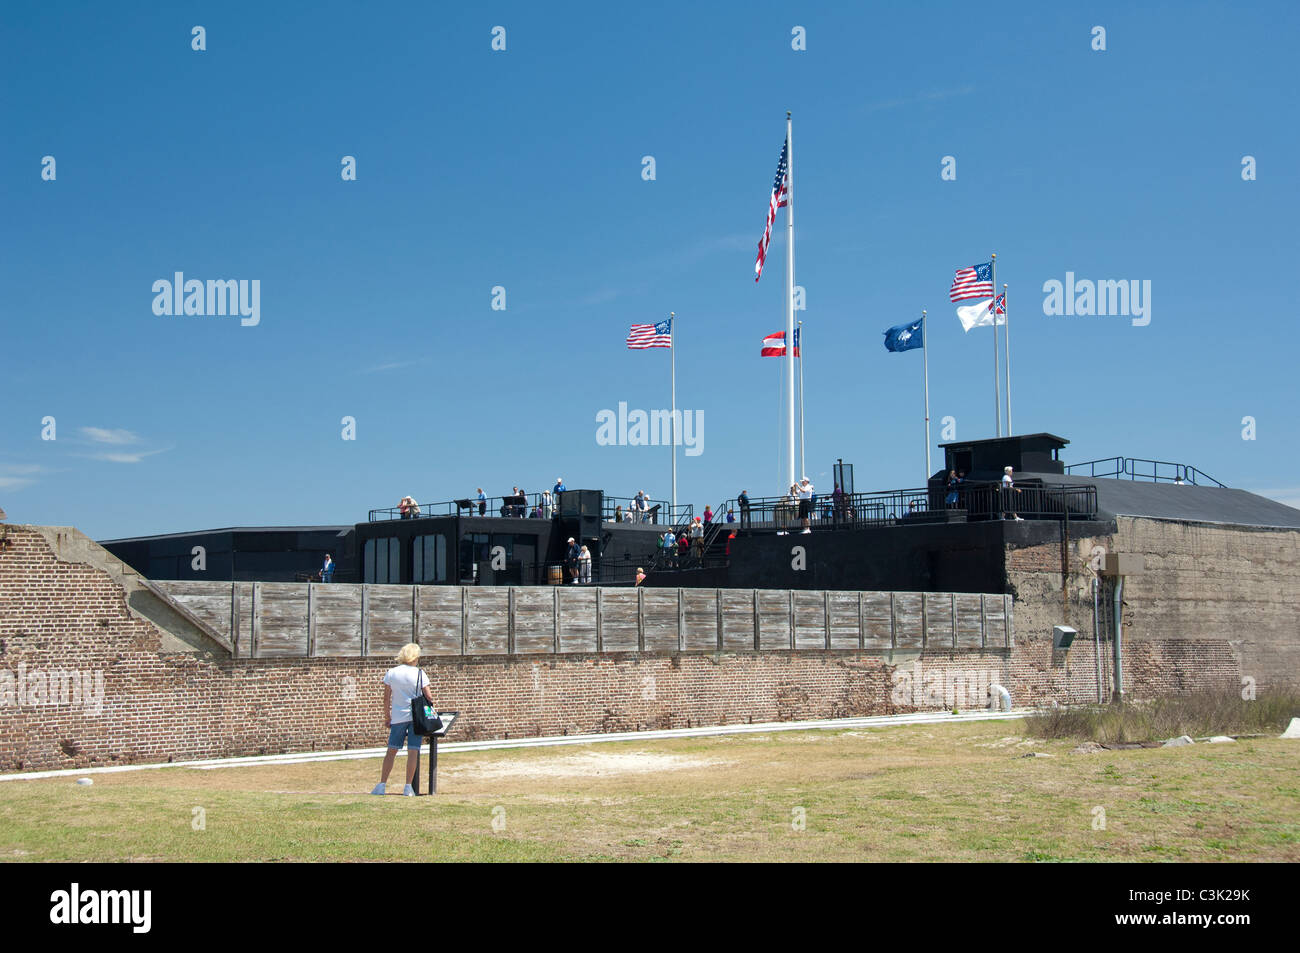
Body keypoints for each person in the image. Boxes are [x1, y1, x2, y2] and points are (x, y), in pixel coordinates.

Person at [371, 642, 436, 797]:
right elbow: (429, 696)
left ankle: (382, 784)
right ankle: (408, 786)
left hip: (398, 716)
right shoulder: (420, 673)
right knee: (413, 751)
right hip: (415, 718)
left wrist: (387, 716)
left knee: (392, 750)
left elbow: (386, 698)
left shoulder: (392, 673)